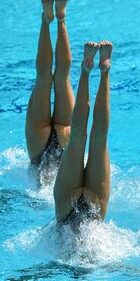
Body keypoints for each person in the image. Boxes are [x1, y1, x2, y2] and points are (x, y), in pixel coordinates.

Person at [53, 41, 113, 223]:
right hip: (79, 210)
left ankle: (99, 72)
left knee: (86, 138)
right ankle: (96, 71)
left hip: (68, 211)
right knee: (84, 137)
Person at [26, 0, 73, 180]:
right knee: (58, 78)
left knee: (53, 78)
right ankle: (57, 19)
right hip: (64, 144)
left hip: (39, 154)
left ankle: (53, 19)